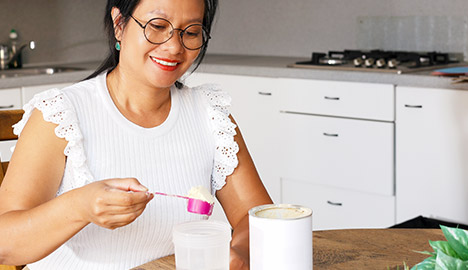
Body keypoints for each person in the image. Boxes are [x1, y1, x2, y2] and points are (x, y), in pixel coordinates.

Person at [0, 0, 272, 269]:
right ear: (119, 24)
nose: (174, 46)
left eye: (190, 32)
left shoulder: (210, 114)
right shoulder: (61, 114)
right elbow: (4, 247)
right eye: (157, 26)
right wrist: (79, 206)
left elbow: (259, 218)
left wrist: (240, 253)